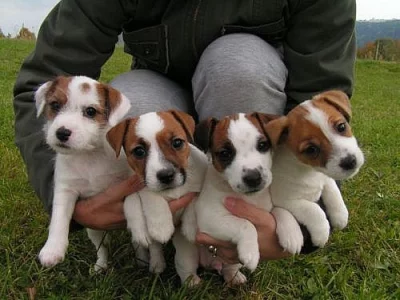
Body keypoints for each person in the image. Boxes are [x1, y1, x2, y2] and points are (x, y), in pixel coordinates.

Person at [13, 0, 356, 263]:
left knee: (236, 67)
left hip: (244, 82)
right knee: (141, 110)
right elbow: (46, 80)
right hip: (158, 83)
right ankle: (171, 220)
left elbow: (320, 102)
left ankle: (252, 213)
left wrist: (311, 213)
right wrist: (65, 193)